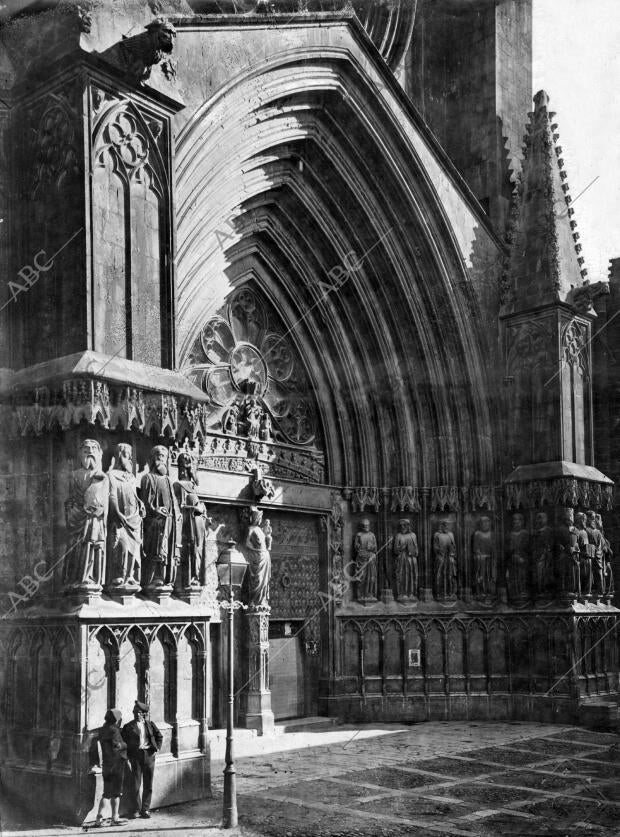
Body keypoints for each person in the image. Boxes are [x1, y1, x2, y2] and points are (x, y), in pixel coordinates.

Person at [121, 701, 163, 819]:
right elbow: (123, 742)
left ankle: (145, 809)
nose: (136, 714)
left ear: (143, 714)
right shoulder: (128, 726)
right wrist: (128, 756)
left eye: (138, 712)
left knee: (148, 784)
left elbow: (159, 736)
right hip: (136, 756)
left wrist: (157, 748)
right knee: (135, 784)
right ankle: (135, 809)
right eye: (134, 712)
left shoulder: (150, 724)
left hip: (149, 755)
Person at [92, 708, 127, 827]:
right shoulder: (114, 730)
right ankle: (114, 818)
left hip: (106, 765)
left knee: (106, 793)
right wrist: (125, 745)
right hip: (116, 765)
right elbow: (117, 746)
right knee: (117, 793)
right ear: (117, 720)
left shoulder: (103, 729)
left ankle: (98, 819)